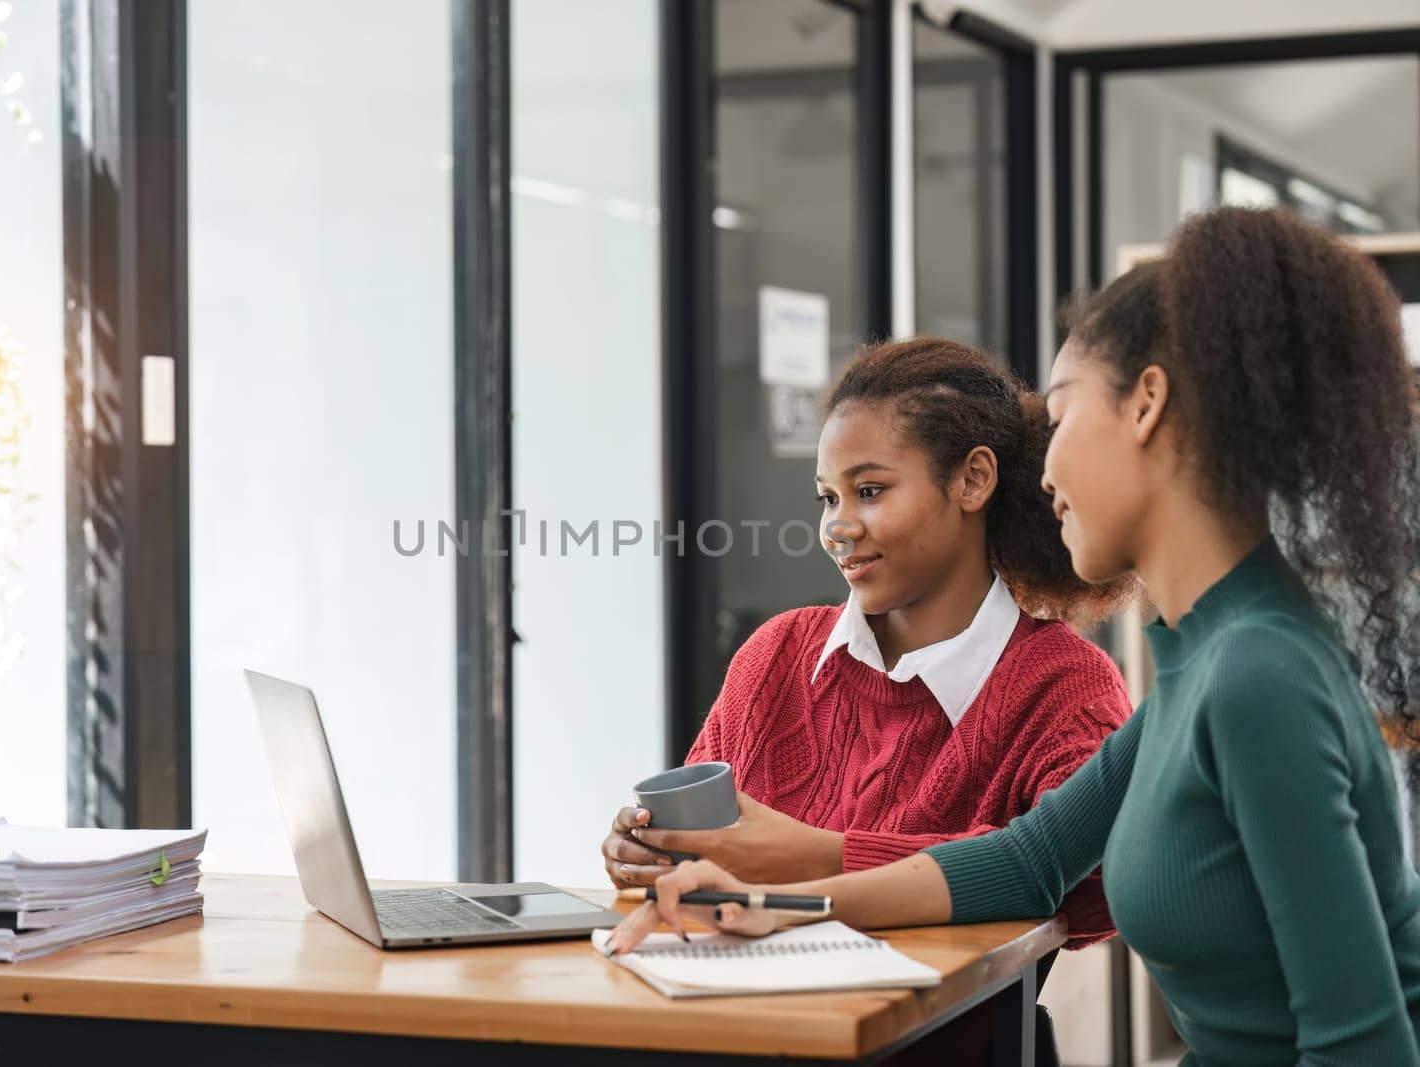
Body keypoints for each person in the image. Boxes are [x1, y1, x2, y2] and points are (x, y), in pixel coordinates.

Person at [611, 206, 1420, 1065]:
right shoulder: (1207, 654)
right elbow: (1027, 861)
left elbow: (1361, 1046)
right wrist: (764, 905)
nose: (1046, 468)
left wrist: (798, 863)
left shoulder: (1258, 670)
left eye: (1063, 418)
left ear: (1146, 405)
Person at [601, 336, 1138, 949]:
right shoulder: (776, 653)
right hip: (741, 1021)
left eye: (871, 491)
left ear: (973, 480)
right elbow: (709, 867)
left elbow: (1090, 889)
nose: (838, 526)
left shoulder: (1063, 685)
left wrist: (817, 857)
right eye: (829, 498)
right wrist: (653, 852)